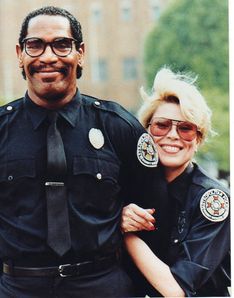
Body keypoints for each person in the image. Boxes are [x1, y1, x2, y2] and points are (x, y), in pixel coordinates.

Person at [0, 6, 164, 297]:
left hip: (103, 285)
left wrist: (127, 217)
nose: (48, 57)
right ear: (20, 54)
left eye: (62, 45)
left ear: (81, 53)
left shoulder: (118, 127)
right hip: (17, 288)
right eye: (35, 45)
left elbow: (157, 211)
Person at [122, 67, 230, 297]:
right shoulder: (126, 187)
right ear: (146, 132)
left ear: (198, 139)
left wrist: (123, 232)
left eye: (185, 128)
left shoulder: (212, 199)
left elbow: (177, 289)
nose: (172, 135)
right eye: (162, 125)